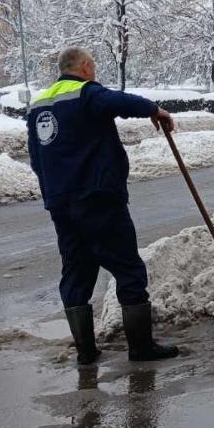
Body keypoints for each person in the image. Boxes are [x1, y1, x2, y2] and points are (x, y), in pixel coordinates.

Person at [26, 46, 180, 365]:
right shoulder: (86, 93)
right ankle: (141, 348)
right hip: (97, 199)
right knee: (128, 268)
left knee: (77, 271)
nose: (93, 72)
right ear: (84, 67)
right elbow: (119, 102)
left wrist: (54, 190)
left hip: (61, 204)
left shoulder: (39, 105)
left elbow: (35, 158)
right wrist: (155, 110)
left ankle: (85, 351)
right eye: (92, 67)